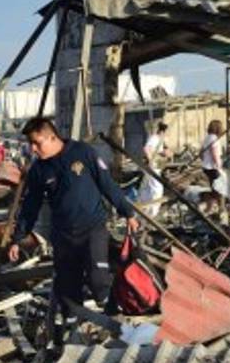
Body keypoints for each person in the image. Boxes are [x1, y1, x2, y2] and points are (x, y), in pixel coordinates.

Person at [8, 117, 139, 340]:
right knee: (68, 288)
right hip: (63, 235)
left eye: (37, 143)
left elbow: (106, 183)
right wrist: (17, 238)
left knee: (99, 278)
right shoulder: (39, 170)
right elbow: (31, 206)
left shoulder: (83, 153)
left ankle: (115, 322)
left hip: (93, 229)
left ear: (52, 137)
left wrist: (128, 212)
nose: (33, 148)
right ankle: (72, 333)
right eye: (30, 143)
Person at [138, 121, 169, 215]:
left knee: (148, 189)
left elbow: (156, 150)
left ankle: (144, 210)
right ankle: (153, 212)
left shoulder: (159, 139)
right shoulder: (154, 138)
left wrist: (163, 153)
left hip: (156, 166)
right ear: (163, 131)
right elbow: (146, 149)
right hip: (153, 166)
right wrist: (151, 161)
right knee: (157, 188)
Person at [199, 119, 226, 215]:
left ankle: (210, 208)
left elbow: (201, 153)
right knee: (220, 189)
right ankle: (221, 209)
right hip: (213, 167)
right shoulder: (214, 138)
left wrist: (205, 161)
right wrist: (218, 165)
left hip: (207, 167)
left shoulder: (207, 138)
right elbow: (214, 153)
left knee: (215, 188)